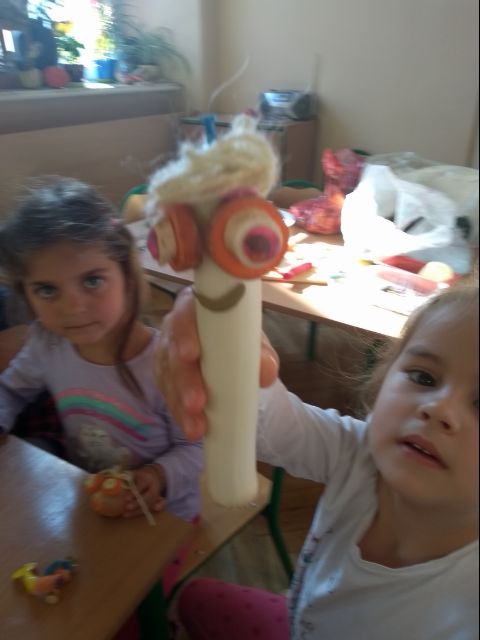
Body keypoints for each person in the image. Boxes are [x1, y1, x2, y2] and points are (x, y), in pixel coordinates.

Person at [152, 283, 478, 640]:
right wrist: (221, 329)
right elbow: (269, 424)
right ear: (383, 380)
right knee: (192, 599)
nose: (438, 408)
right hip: (300, 620)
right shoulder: (359, 452)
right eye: (423, 377)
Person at [0, 177, 203, 527]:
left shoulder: (167, 362)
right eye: (47, 290)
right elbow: (10, 390)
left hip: (164, 517)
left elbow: (198, 449)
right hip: (88, 501)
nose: (72, 308)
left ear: (127, 276)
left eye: (92, 281)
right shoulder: (46, 344)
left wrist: (157, 475)